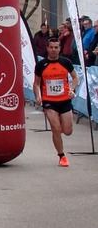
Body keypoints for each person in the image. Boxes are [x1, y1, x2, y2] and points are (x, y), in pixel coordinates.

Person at [33, 38, 79, 167]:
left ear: (59, 48)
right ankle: (62, 156)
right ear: (47, 48)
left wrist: (72, 88)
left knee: (67, 131)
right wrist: (38, 96)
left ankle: (61, 128)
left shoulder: (66, 62)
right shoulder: (41, 64)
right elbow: (36, 83)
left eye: (56, 47)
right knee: (56, 129)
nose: (54, 50)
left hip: (64, 100)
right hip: (49, 102)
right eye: (51, 47)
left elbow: (76, 77)